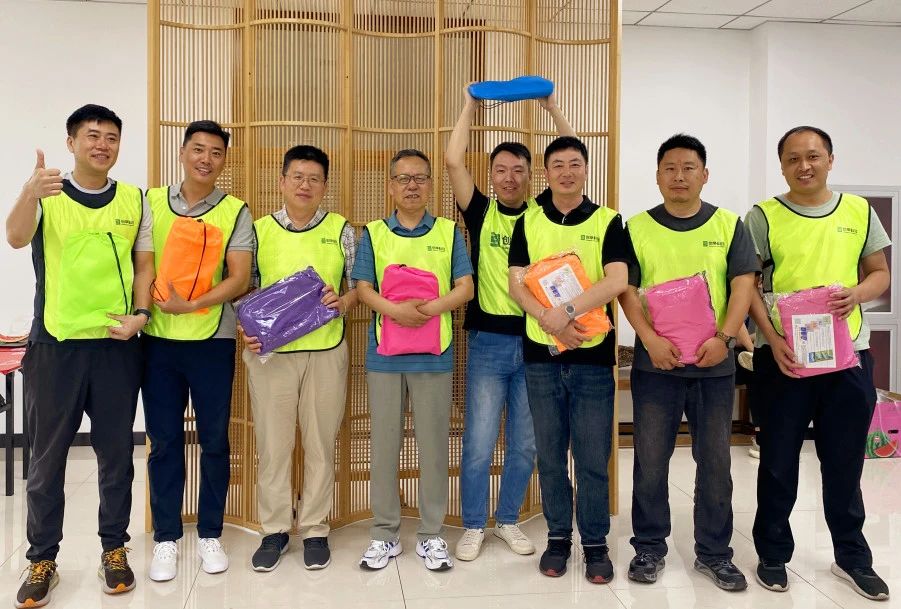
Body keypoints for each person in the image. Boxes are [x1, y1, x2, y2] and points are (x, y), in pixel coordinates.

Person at [6, 104, 153, 607]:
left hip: (116, 346)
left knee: (117, 457)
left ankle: (114, 549)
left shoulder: (134, 199)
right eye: (92, 136)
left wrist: (141, 314)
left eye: (111, 137)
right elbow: (15, 237)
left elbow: (144, 265)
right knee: (46, 461)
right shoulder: (47, 193)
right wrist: (29, 192)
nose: (102, 145)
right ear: (71, 143)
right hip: (56, 346)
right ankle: (42, 558)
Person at [746, 126, 891, 601]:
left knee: (845, 462)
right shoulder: (763, 216)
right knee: (778, 461)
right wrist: (770, 342)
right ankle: (772, 554)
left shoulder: (858, 211)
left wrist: (857, 294)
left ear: (830, 159)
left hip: (848, 359)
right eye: (792, 158)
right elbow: (747, 286)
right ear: (781, 165)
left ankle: (852, 557)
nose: (803, 166)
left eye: (812, 156)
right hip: (784, 359)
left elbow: (880, 273)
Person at [619, 134, 758, 591]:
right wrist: (649, 340)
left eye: (689, 167)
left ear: (704, 174)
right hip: (657, 366)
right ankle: (649, 547)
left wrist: (725, 339)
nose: (679, 176)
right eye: (670, 168)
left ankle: (715, 553)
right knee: (650, 461)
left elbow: (742, 286)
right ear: (658, 176)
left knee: (715, 462)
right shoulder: (637, 227)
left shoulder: (729, 224)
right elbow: (626, 290)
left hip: (714, 366)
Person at [445, 87, 575, 562]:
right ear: (491, 176)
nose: (509, 177)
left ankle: (506, 520)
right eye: (500, 170)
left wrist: (552, 109)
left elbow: (573, 156)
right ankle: (473, 524)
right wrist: (469, 106)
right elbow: (452, 160)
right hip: (488, 343)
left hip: (538, 341)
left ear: (531, 175)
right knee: (479, 443)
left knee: (525, 443)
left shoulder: (542, 213)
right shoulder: (480, 211)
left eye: (518, 170)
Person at [507, 136, 628, 584]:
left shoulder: (608, 221)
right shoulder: (529, 221)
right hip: (541, 356)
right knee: (551, 454)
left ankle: (595, 543)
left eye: (575, 163)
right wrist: (548, 319)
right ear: (546, 173)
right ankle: (558, 537)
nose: (566, 172)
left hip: (593, 359)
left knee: (593, 456)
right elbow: (515, 283)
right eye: (557, 164)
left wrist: (567, 311)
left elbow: (617, 279)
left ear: (585, 170)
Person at [143, 120, 253, 582]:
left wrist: (193, 304)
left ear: (224, 160)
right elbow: (140, 265)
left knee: (213, 440)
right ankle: (166, 537)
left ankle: (210, 533)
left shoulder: (234, 210)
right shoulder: (150, 202)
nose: (206, 159)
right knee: (165, 440)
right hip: (158, 341)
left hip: (213, 340)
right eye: (198, 149)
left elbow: (239, 278)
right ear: (183, 152)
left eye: (216, 152)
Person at [353, 149, 473, 572]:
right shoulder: (373, 233)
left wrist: (425, 310)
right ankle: (384, 533)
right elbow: (363, 288)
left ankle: (431, 534)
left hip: (434, 355)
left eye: (420, 178)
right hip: (384, 356)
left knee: (434, 447)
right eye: (403, 178)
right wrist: (396, 311)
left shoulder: (448, 231)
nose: (412, 186)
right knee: (384, 447)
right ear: (390, 186)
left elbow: (465, 287)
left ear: (431, 185)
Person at [240, 145, 357, 572]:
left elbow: (359, 287)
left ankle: (314, 528)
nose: (305, 185)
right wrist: (245, 330)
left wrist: (342, 302)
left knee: (321, 443)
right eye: (297, 177)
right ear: (282, 181)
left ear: (325, 185)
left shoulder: (342, 230)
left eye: (314, 179)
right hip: (271, 356)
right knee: (273, 445)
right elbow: (243, 289)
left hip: (326, 351)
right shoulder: (258, 231)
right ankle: (274, 529)